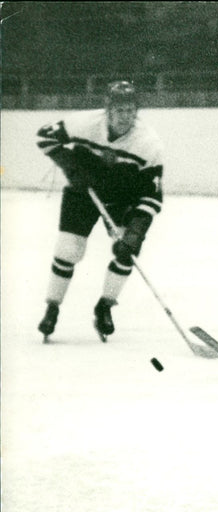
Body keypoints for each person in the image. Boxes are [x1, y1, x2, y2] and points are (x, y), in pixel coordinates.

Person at [36, 81, 165, 342]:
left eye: (130, 110)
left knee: (128, 252)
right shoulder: (84, 123)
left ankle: (105, 306)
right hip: (83, 192)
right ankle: (52, 308)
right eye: (119, 110)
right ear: (107, 109)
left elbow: (152, 196)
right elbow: (45, 136)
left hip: (122, 198)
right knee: (69, 249)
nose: (124, 117)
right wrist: (71, 167)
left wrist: (135, 233)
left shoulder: (149, 144)